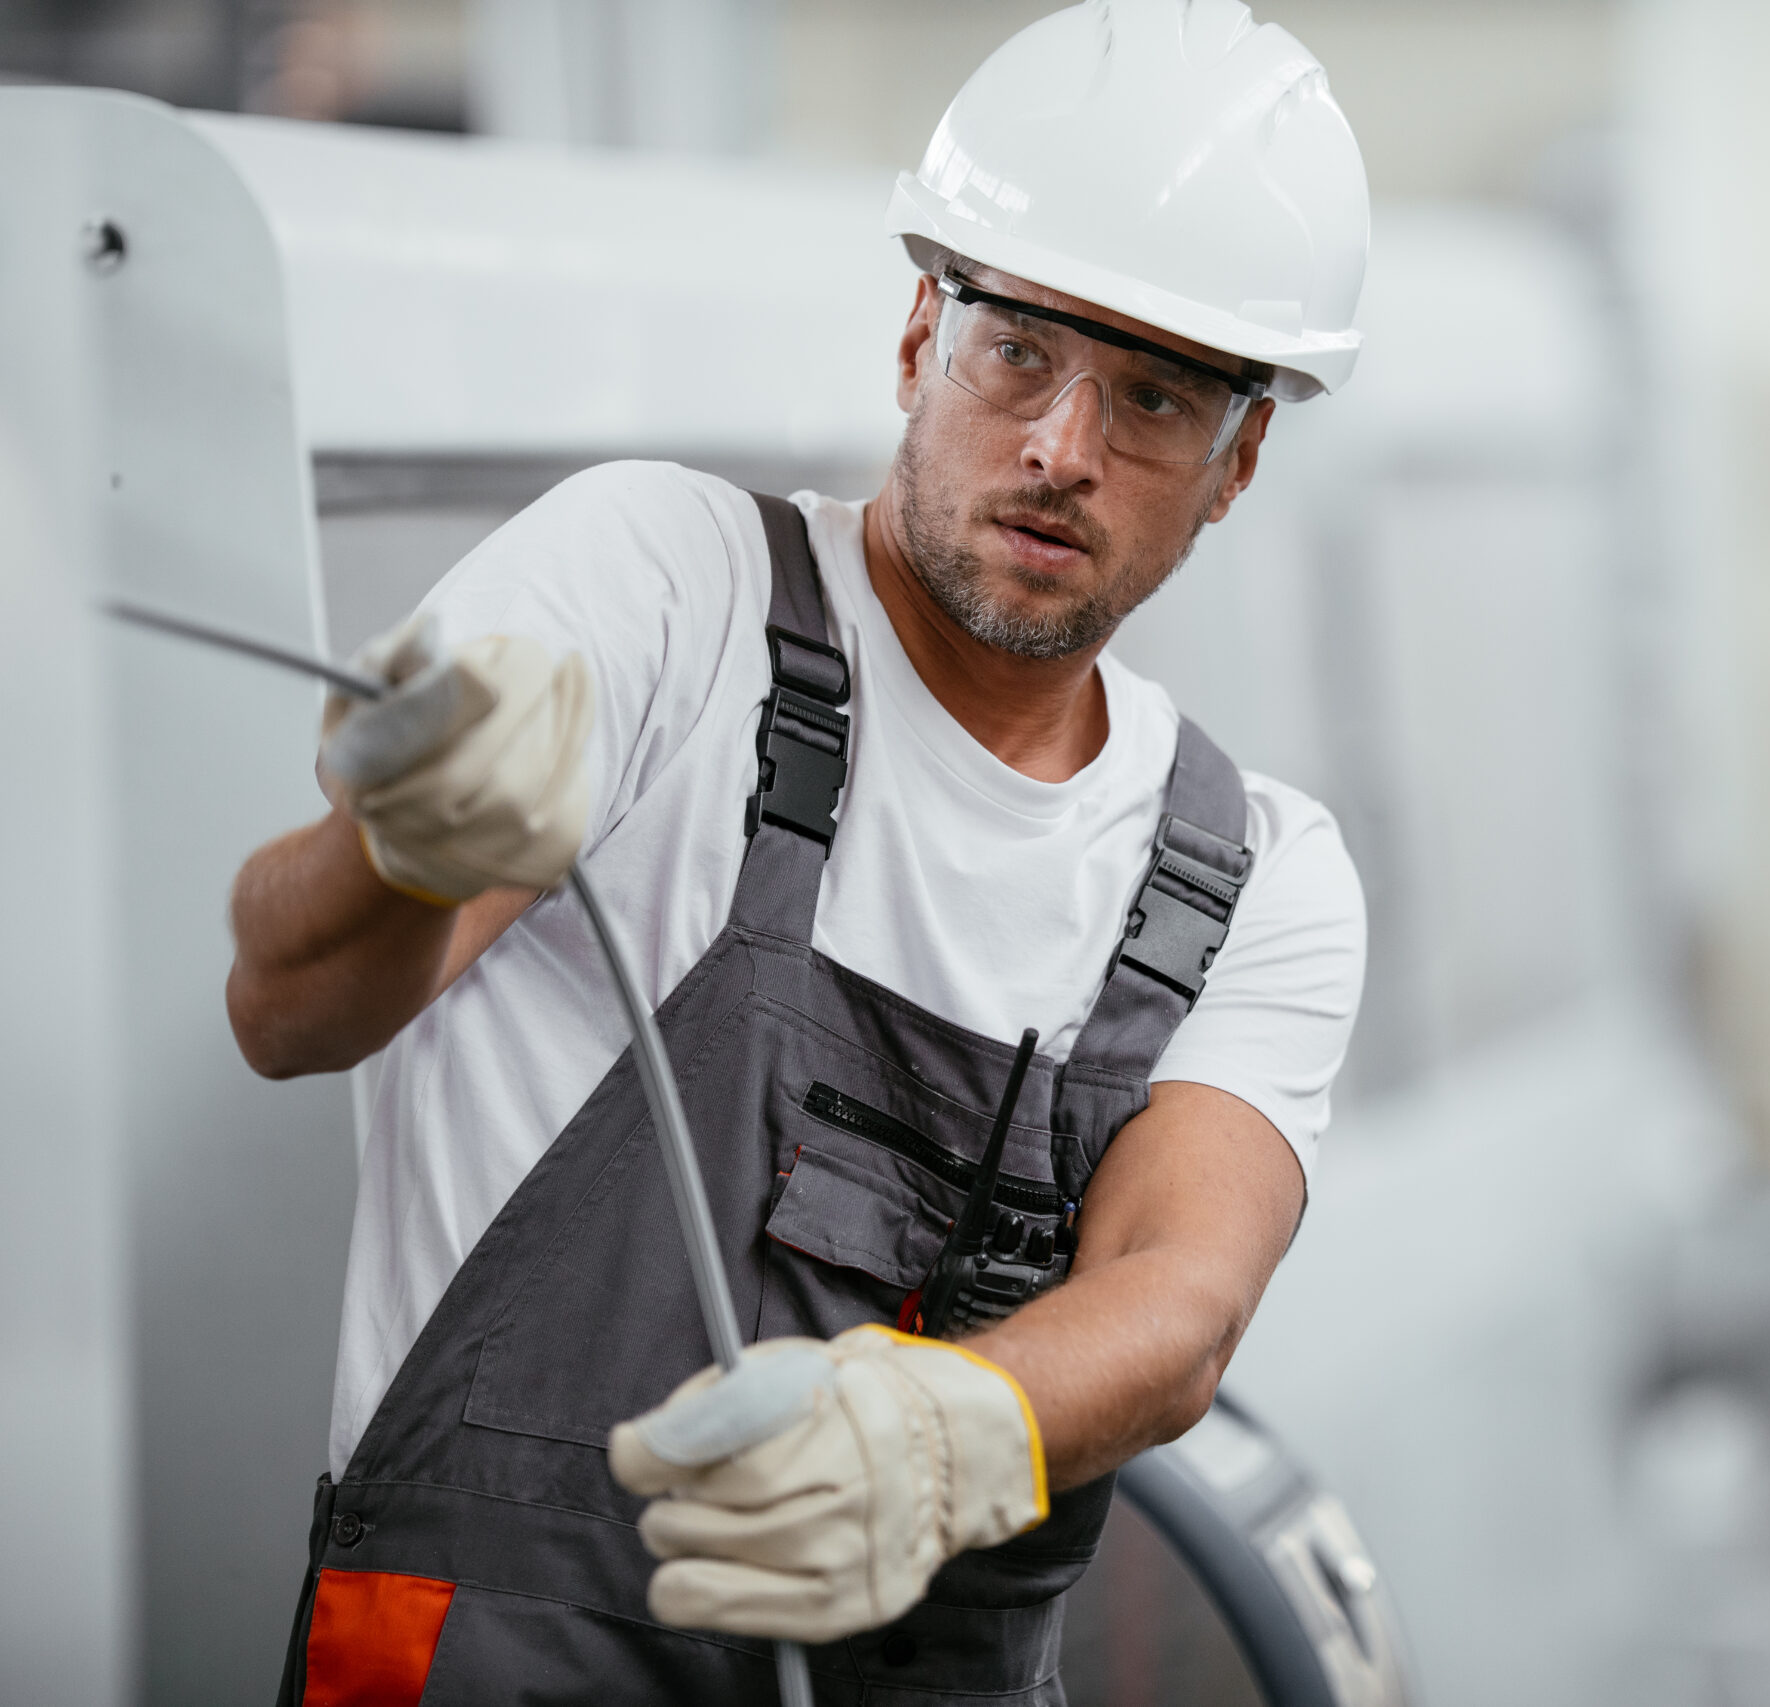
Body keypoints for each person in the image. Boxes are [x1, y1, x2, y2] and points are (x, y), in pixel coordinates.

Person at [227, 2, 1372, 1699]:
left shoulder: (1259, 874)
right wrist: (398, 844)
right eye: (1017, 354)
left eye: (1150, 395)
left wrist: (946, 1433)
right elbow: (286, 1006)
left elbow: (1178, 1296)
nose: (1062, 447)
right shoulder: (666, 592)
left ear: (1236, 462)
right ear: (922, 334)